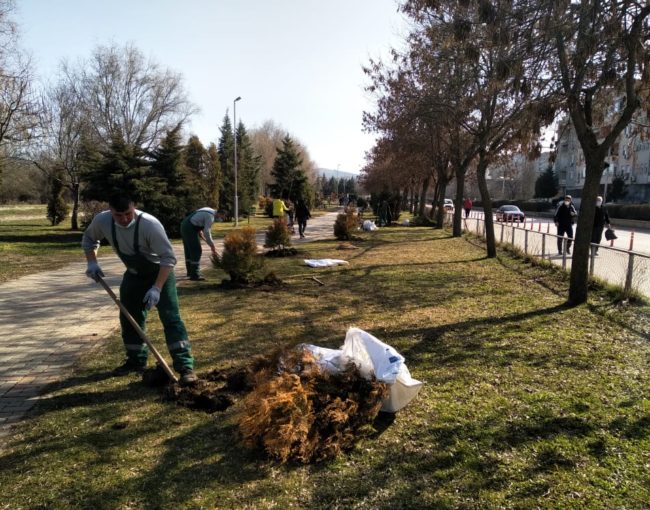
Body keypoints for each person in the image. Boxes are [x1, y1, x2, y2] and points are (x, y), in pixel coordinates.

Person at [82, 194, 197, 385]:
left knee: (171, 317)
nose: (125, 219)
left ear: (134, 206)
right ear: (110, 211)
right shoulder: (102, 221)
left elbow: (168, 259)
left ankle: (185, 367)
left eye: (128, 213)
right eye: (119, 215)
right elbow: (89, 239)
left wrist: (157, 289)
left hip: (160, 272)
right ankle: (136, 361)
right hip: (134, 275)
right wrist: (92, 262)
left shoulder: (149, 225)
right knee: (129, 316)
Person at [180, 207, 218, 281]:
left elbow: (197, 219)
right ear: (220, 214)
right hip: (190, 228)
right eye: (223, 217)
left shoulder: (208, 209)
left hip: (184, 225)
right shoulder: (211, 216)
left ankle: (190, 272)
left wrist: (200, 232)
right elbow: (207, 232)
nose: (222, 219)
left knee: (189, 250)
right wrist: (212, 245)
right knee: (196, 250)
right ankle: (195, 275)